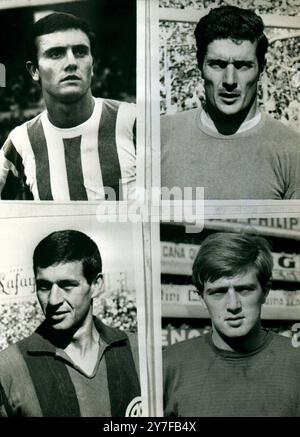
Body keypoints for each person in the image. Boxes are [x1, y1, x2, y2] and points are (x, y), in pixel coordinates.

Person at [161, 5, 300, 199]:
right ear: (200, 65)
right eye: (217, 64)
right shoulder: (160, 137)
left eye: (243, 66)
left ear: (261, 68)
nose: (229, 80)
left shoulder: (292, 150)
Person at [0, 230, 140, 417]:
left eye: (67, 285)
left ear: (96, 285)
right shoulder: (9, 367)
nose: (53, 300)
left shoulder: (138, 351)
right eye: (44, 286)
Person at [0, 12, 136, 201]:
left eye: (80, 52)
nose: (71, 62)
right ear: (34, 70)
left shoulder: (133, 121)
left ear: (92, 63)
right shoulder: (20, 142)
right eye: (56, 54)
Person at [163, 232, 300, 416]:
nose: (233, 305)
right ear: (202, 299)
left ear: (265, 291)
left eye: (244, 289)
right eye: (218, 292)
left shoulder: (296, 361)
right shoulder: (170, 364)